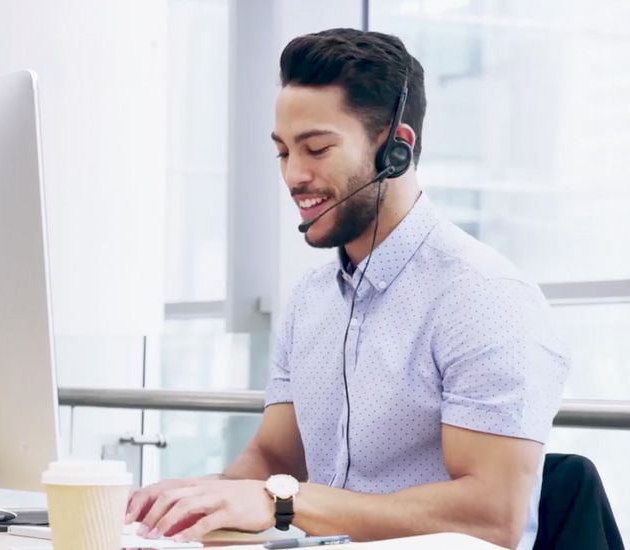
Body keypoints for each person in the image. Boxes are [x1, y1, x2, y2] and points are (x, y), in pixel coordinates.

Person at [125, 28, 569, 550]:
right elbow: (272, 461)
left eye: (316, 149)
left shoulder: (486, 298)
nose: (293, 176)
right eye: (283, 152)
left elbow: (490, 517)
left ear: (396, 151)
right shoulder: (312, 299)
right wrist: (187, 499)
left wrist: (280, 502)